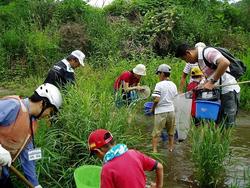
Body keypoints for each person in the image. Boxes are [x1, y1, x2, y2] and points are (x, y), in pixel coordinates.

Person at [0, 83, 63, 187]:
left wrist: (35, 184)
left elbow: (27, 156)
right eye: (50, 111)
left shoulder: (32, 124)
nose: (48, 115)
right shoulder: (13, 106)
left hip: (3, 174)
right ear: (43, 103)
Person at [175, 43, 240, 128]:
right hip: (218, 93)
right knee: (217, 123)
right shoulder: (200, 61)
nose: (186, 62)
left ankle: (224, 141)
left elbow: (225, 62)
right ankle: (216, 141)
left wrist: (211, 82)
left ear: (188, 53)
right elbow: (211, 75)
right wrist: (202, 84)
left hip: (228, 91)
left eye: (184, 59)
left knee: (227, 124)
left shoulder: (207, 52)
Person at [88, 129, 164, 188]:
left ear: (98, 151)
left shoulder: (107, 169)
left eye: (95, 154)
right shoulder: (134, 153)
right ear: (114, 142)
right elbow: (159, 166)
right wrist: (158, 186)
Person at [151, 64, 178, 153]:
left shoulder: (159, 85)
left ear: (162, 73)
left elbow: (156, 99)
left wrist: (153, 109)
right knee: (171, 132)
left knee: (156, 133)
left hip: (161, 111)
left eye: (159, 73)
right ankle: (170, 149)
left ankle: (154, 151)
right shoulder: (173, 85)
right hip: (171, 111)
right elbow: (175, 98)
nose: (158, 75)